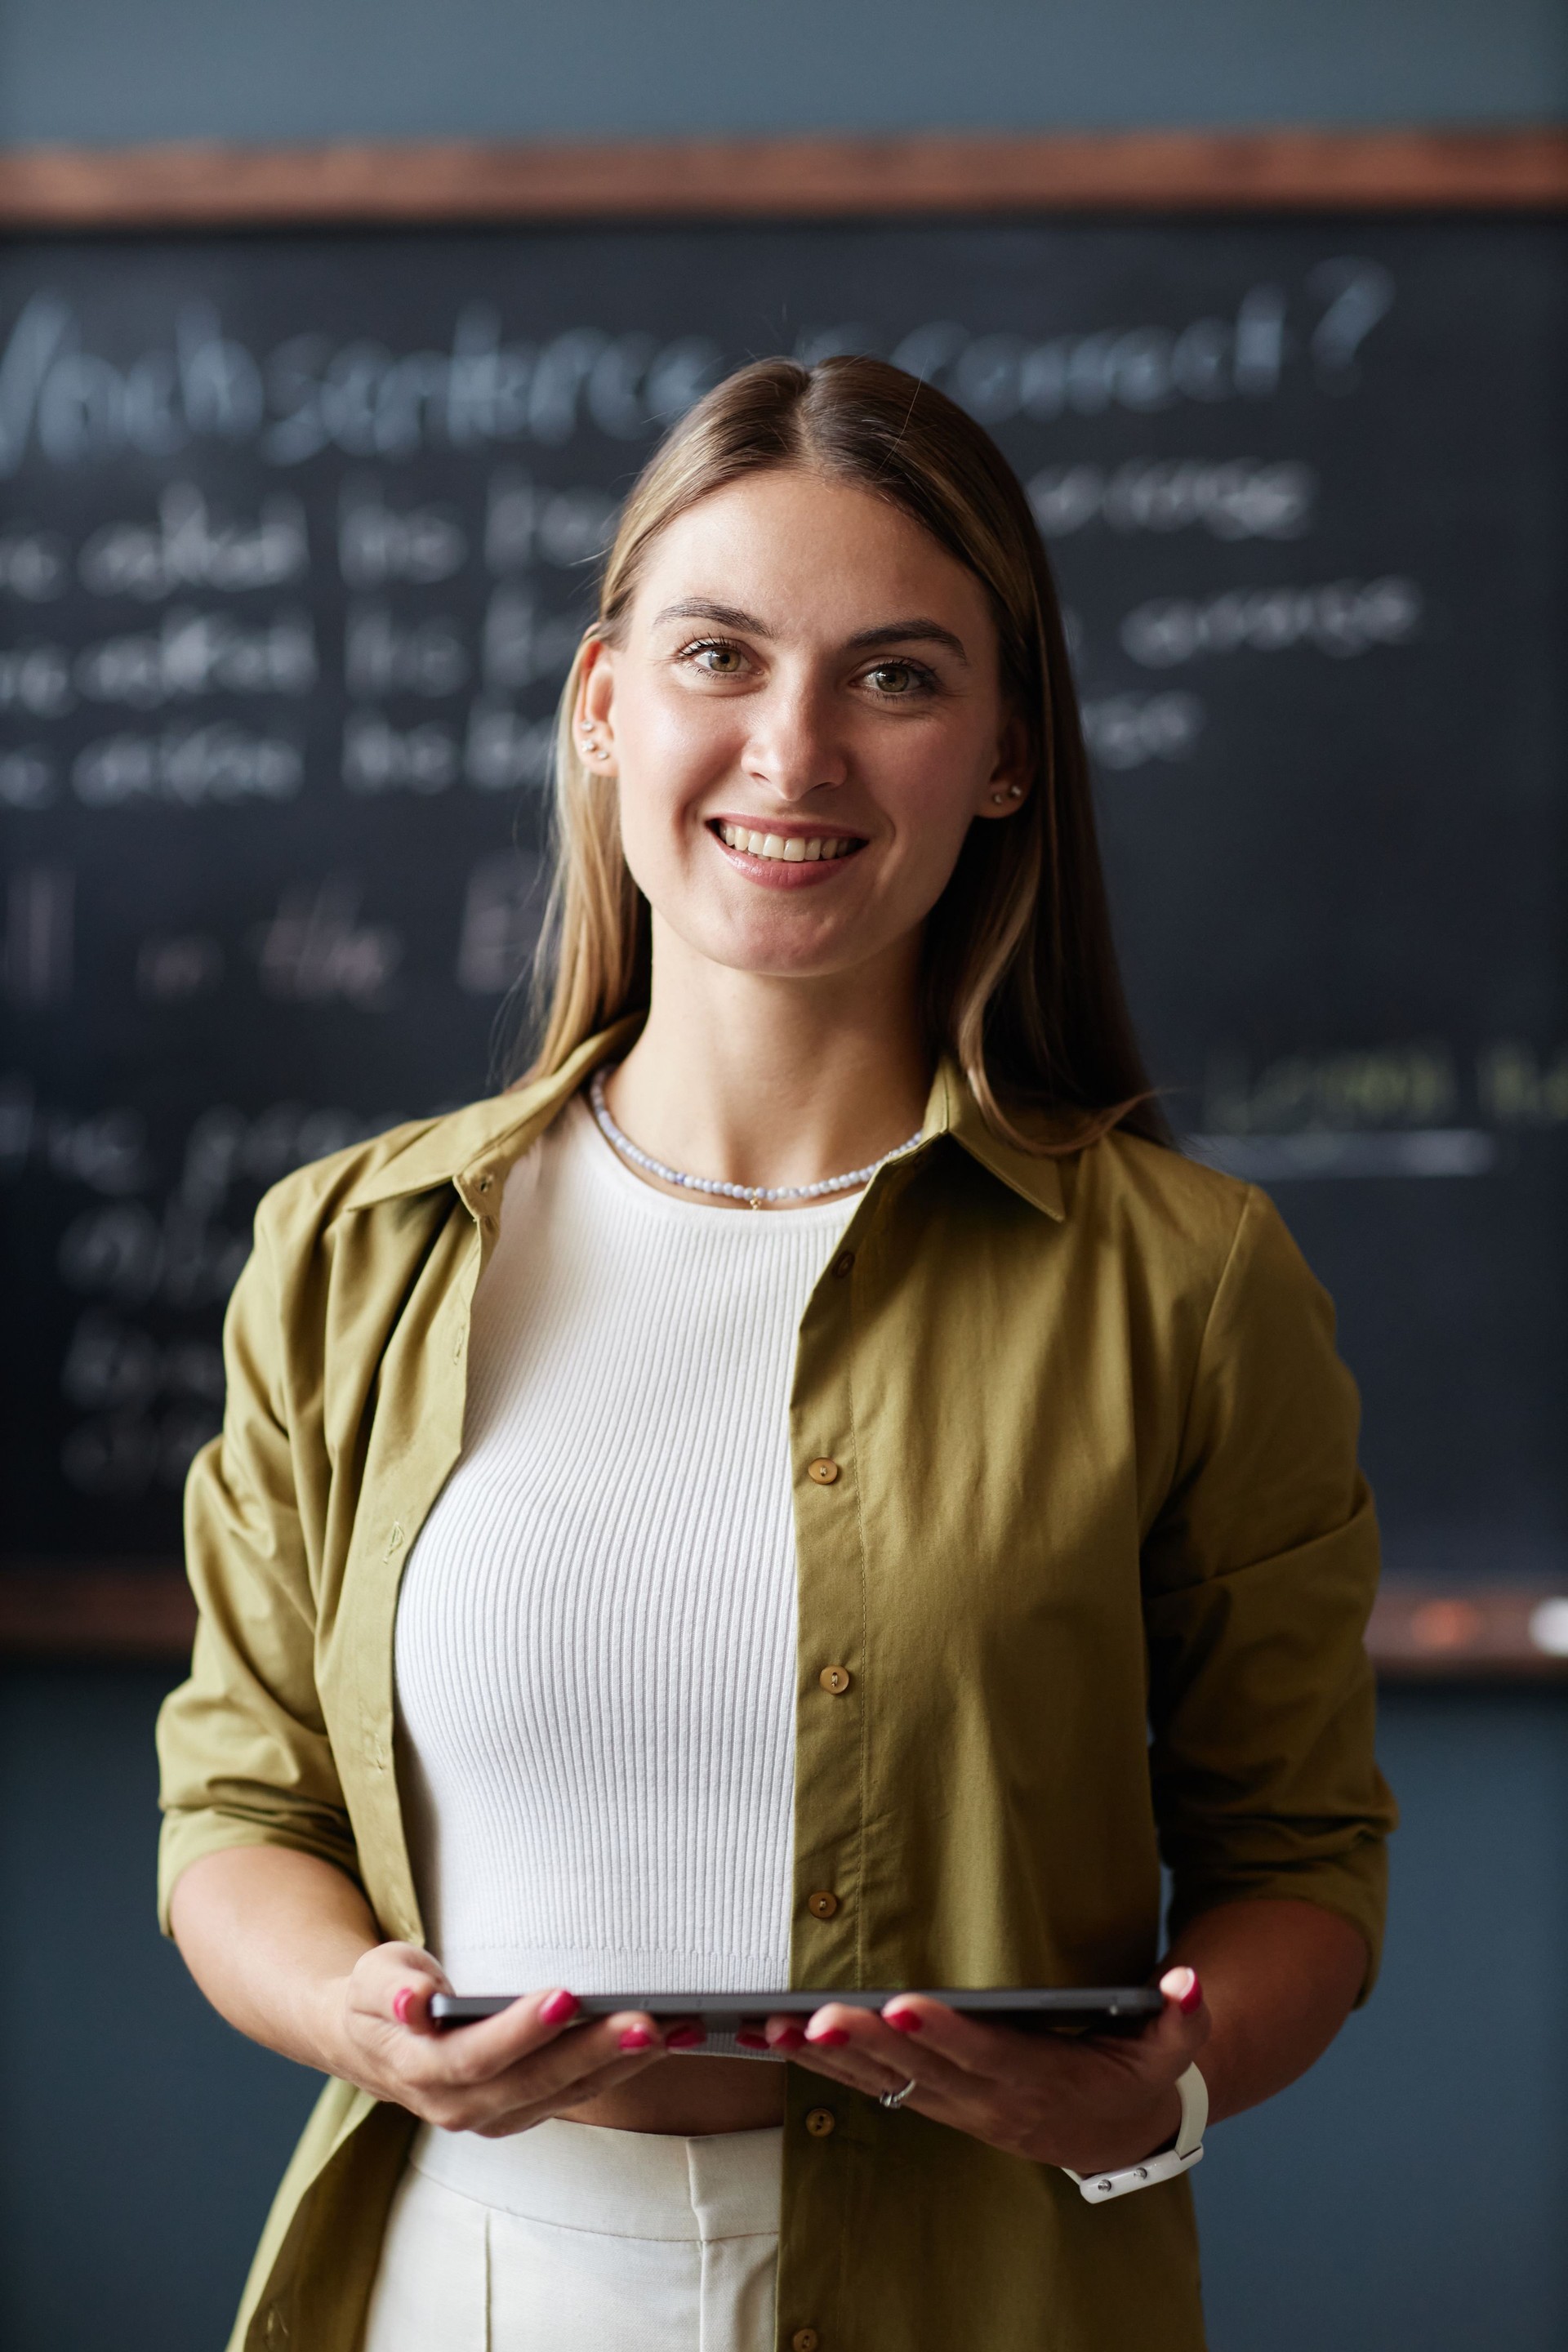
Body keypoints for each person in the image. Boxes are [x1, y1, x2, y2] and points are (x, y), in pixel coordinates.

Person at [158, 354, 1395, 2352]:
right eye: (720, 655)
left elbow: (1304, 1868)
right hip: (465, 2276)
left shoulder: (1187, 1281)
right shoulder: (352, 1250)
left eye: (897, 677)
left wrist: (1151, 2088)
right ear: (601, 706)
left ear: (1003, 753)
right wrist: (358, 2021)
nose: (793, 751)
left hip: (978, 2289)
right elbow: (241, 1815)